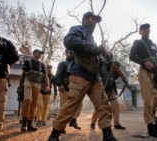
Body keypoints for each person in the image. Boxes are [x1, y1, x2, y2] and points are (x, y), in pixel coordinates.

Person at [47, 11, 118, 141]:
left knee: (103, 105)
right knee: (71, 105)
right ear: (85, 19)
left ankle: (108, 135)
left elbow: (96, 58)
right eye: (93, 19)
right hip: (80, 74)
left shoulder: (92, 39)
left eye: (97, 21)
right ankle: (54, 135)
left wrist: (106, 56)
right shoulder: (78, 29)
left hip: (95, 78)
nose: (95, 23)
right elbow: (69, 41)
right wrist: (97, 49)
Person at [129, 23, 157, 138]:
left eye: (147, 28)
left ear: (149, 31)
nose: (145, 30)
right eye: (143, 29)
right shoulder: (138, 42)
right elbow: (131, 56)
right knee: (148, 100)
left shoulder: (153, 44)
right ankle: (150, 126)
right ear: (140, 32)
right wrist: (144, 63)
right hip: (145, 72)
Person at [18, 49, 50, 131]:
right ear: (33, 53)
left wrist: (47, 85)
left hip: (38, 84)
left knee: (34, 104)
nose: (40, 55)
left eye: (41, 54)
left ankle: (29, 124)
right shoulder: (27, 62)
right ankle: (24, 122)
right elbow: (23, 74)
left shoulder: (42, 65)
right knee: (28, 99)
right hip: (28, 82)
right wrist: (20, 86)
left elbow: (45, 76)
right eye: (38, 53)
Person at [90, 55, 126, 130]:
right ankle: (93, 122)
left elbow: (116, 77)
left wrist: (116, 70)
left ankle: (117, 123)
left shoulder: (113, 67)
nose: (109, 58)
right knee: (100, 107)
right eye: (107, 56)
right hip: (103, 88)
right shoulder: (100, 64)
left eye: (110, 56)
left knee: (115, 105)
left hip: (112, 88)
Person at [55, 49, 83, 130]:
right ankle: (60, 127)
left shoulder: (76, 64)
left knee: (79, 104)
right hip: (64, 89)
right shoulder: (63, 64)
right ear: (67, 53)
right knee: (64, 109)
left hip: (74, 89)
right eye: (71, 53)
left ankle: (73, 120)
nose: (73, 54)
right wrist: (60, 84)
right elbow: (58, 75)